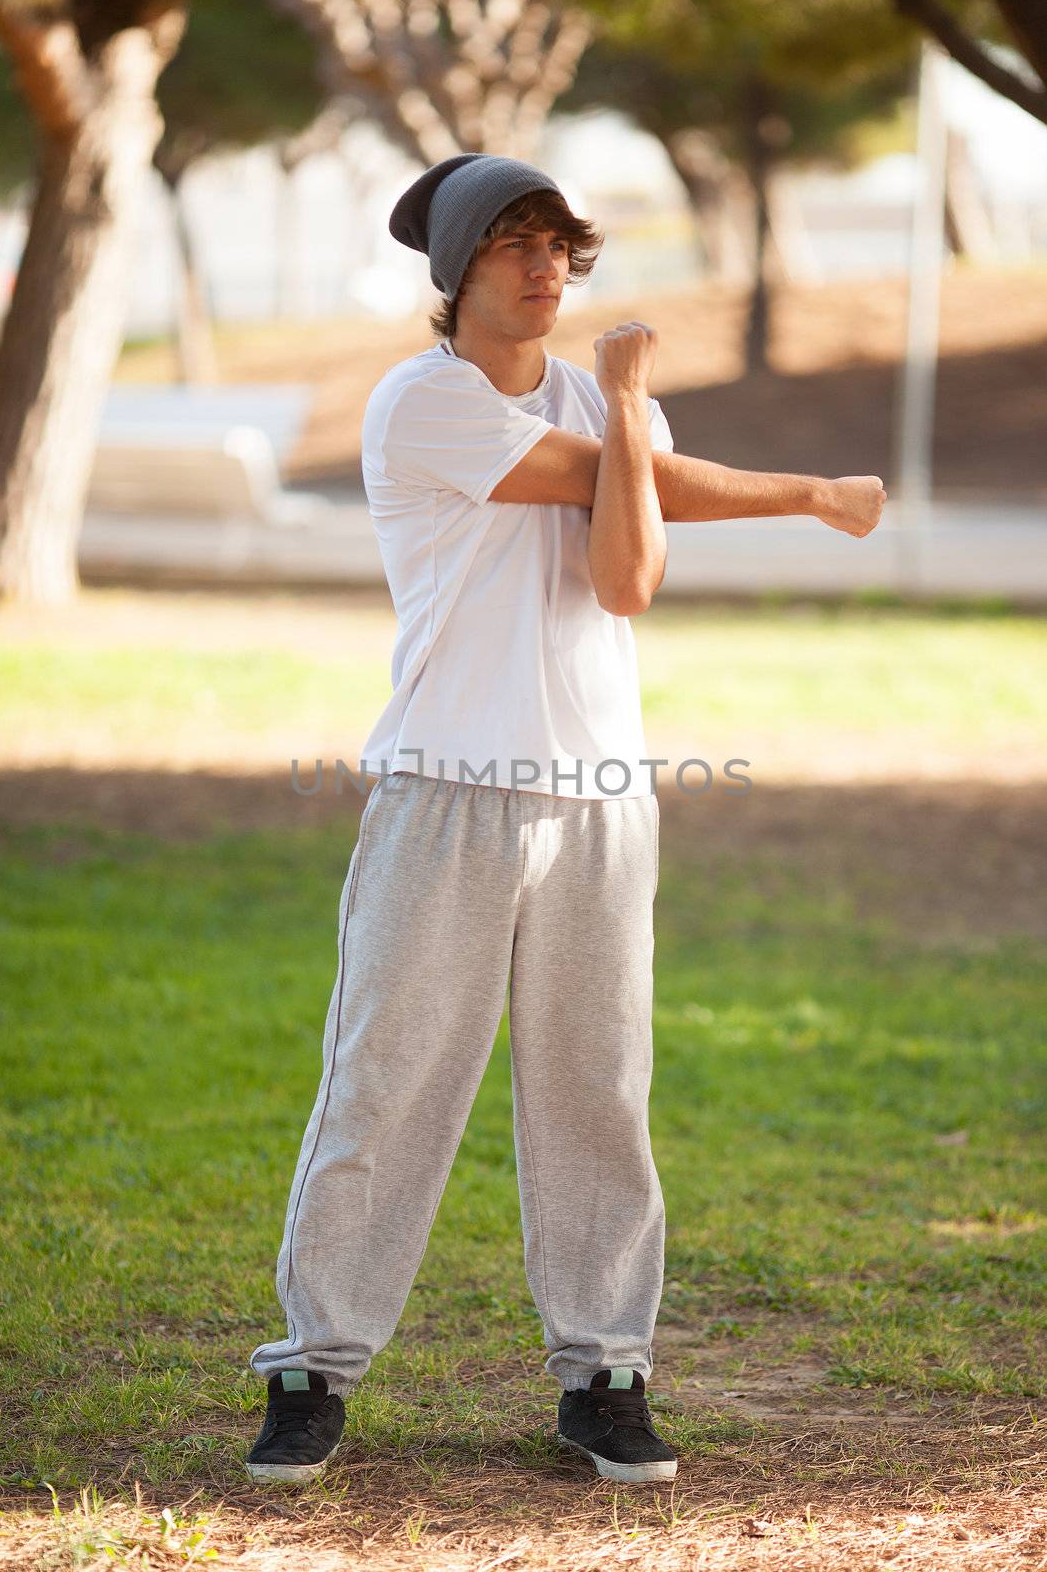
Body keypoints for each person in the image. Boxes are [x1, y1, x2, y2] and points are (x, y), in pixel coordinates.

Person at [244, 153, 886, 1487]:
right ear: (456, 271)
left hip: (599, 798)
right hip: (446, 791)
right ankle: (312, 1370)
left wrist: (663, 430)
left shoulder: (600, 403)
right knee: (386, 1083)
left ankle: (605, 1375)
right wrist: (784, 484)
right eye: (512, 245)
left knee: (598, 1090)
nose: (543, 269)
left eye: (557, 244)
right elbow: (616, 489)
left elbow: (625, 574)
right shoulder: (423, 401)